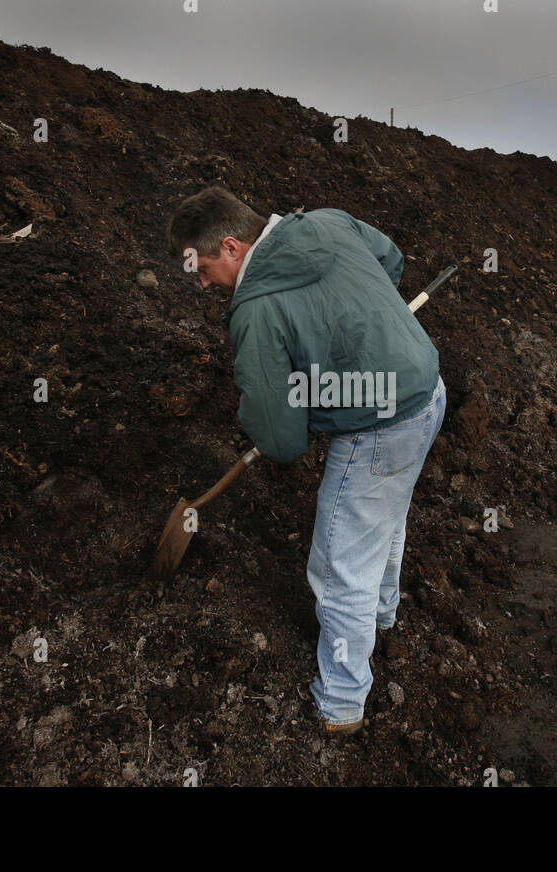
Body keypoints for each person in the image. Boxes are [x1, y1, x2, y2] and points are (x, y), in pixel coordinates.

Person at [167, 186, 446, 736]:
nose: (201, 283)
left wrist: (308, 403)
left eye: (200, 268)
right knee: (386, 516)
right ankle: (384, 614)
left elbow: (279, 434)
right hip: (427, 392)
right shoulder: (327, 222)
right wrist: (356, 327)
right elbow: (390, 258)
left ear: (230, 246)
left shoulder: (254, 310)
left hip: (379, 428)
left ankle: (341, 702)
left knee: (340, 565)